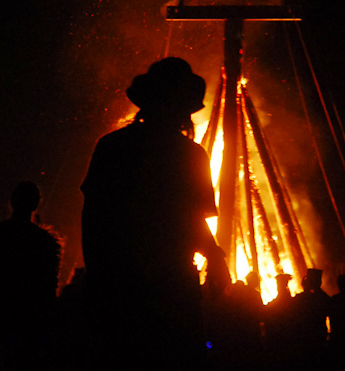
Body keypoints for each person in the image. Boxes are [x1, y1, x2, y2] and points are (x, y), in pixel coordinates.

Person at [81, 57, 229, 369]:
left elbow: (94, 219)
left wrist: (99, 280)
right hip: (170, 289)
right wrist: (214, 258)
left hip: (121, 287)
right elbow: (191, 222)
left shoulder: (112, 147)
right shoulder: (190, 155)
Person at [0, 181, 62, 371]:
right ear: (36, 205)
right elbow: (50, 288)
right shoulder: (45, 243)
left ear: (11, 202)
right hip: (31, 323)